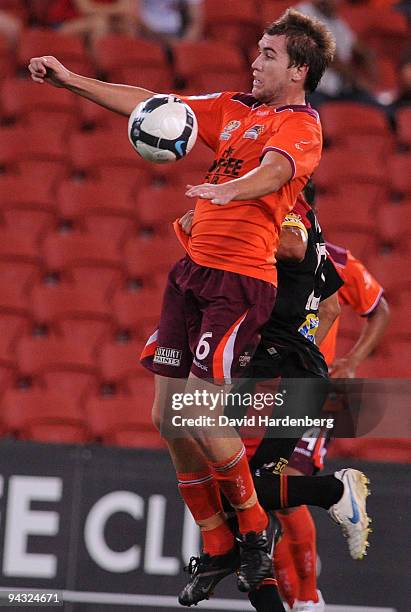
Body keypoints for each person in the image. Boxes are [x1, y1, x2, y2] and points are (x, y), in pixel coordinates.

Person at [28, 9, 336, 606]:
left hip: (240, 280)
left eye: (269, 55)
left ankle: (252, 535)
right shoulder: (235, 109)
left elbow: (276, 170)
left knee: (200, 413)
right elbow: (151, 102)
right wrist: (70, 79)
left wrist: (230, 189)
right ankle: (219, 542)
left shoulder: (303, 126)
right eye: (257, 51)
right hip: (192, 274)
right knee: (168, 418)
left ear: (299, 69)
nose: (255, 61)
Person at [178, 187, 371, 612]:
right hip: (290, 373)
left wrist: (224, 229)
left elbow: (290, 243)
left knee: (236, 488)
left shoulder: (289, 218)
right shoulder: (322, 247)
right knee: (248, 513)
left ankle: (331, 492)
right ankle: (254, 572)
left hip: (277, 375)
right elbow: (334, 309)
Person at [272, 197, 389, 610]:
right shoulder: (262, 255)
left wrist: (352, 360)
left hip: (311, 389)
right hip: (268, 384)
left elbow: (379, 310)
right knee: (264, 495)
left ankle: (307, 601)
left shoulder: (338, 261)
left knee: (286, 493)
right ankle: (297, 601)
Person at [295, 0, 377, 106]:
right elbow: (330, 56)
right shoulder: (302, 14)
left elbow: (361, 49)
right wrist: (358, 81)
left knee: (376, 108)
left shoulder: (336, 20)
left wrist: (373, 80)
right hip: (311, 90)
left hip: (339, 91)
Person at [137, 0, 204, 43]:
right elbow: (133, 14)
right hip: (145, 34)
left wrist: (184, 43)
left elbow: (196, 22)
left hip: (176, 33)